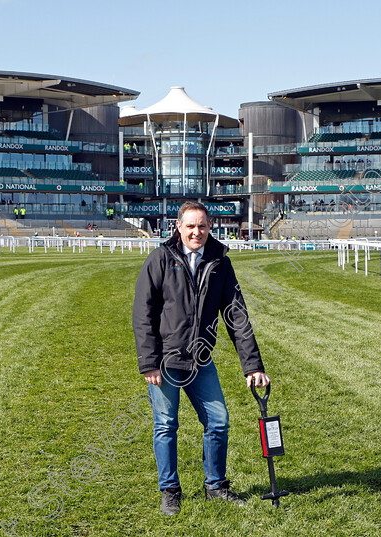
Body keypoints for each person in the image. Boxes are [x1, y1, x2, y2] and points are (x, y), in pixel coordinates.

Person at [133, 201, 269, 516]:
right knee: (166, 425)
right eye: (191, 226)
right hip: (165, 363)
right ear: (178, 227)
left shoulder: (220, 262)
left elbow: (237, 316)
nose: (197, 232)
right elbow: (143, 314)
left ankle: (216, 486)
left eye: (202, 226)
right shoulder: (160, 259)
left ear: (210, 227)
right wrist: (149, 362)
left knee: (218, 422)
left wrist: (253, 366)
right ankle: (170, 491)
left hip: (201, 361)